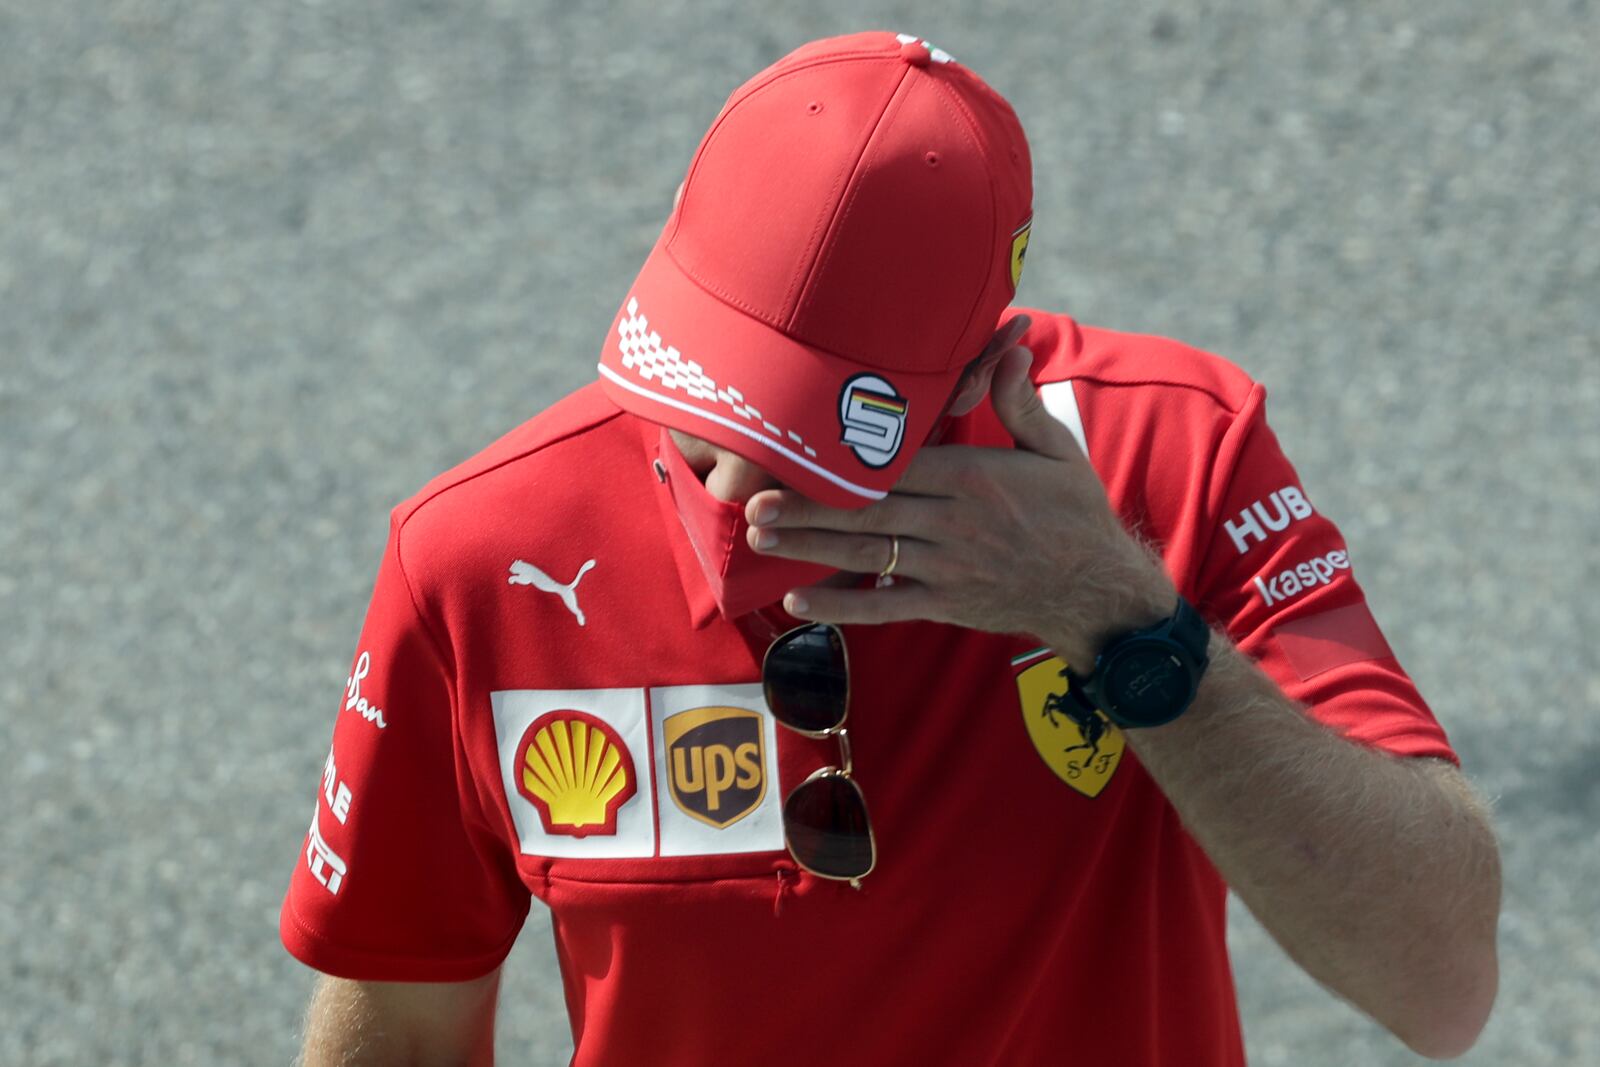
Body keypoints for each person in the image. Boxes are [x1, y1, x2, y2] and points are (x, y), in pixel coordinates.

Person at [281, 31, 1500, 1066]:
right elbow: (403, 1024)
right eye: (708, 389)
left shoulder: (1170, 461)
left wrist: (1116, 613)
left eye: (813, 432)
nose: (741, 482)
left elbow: (1438, 980)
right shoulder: (483, 555)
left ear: (982, 368)